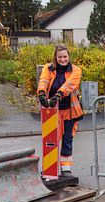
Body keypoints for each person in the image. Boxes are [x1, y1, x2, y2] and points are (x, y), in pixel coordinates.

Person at [37, 44, 84, 176]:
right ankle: (48, 168)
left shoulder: (76, 70)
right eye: (60, 57)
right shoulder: (48, 68)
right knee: (51, 139)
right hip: (52, 110)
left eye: (65, 56)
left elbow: (69, 85)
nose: (62, 59)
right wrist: (41, 92)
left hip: (69, 110)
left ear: (69, 57)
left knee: (67, 139)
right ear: (55, 57)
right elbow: (44, 81)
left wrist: (58, 95)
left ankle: (66, 169)